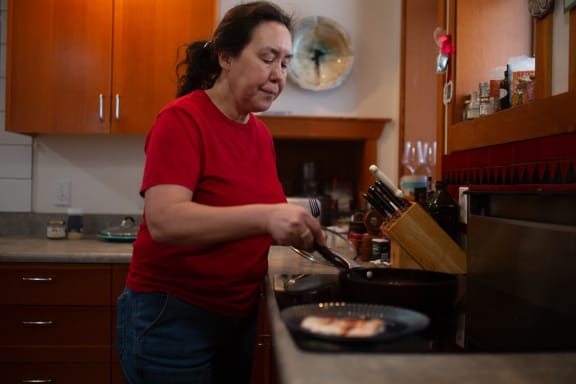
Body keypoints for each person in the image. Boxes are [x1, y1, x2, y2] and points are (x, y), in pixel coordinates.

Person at [115, 2, 325, 384]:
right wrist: (266, 217)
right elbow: (165, 221)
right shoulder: (182, 120)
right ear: (226, 57)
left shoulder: (259, 133)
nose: (278, 75)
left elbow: (255, 212)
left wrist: (296, 228)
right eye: (267, 58)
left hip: (236, 316)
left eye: (285, 63)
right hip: (173, 317)